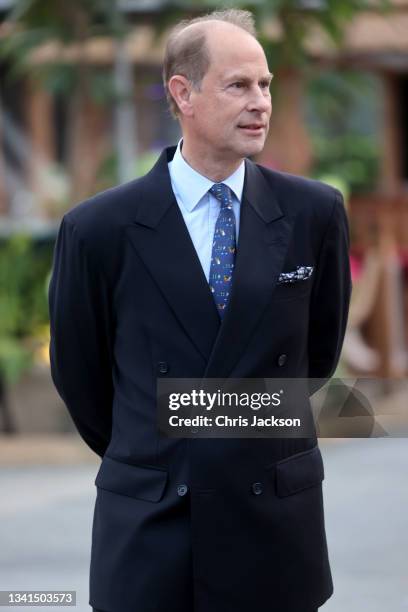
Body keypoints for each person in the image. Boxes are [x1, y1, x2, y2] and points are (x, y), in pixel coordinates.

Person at [48, 8, 352, 612]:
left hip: (274, 528)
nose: (260, 101)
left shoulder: (314, 214)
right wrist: (166, 450)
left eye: (265, 85)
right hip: (152, 531)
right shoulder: (97, 229)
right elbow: (80, 379)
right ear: (182, 94)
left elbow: (315, 360)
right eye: (239, 85)